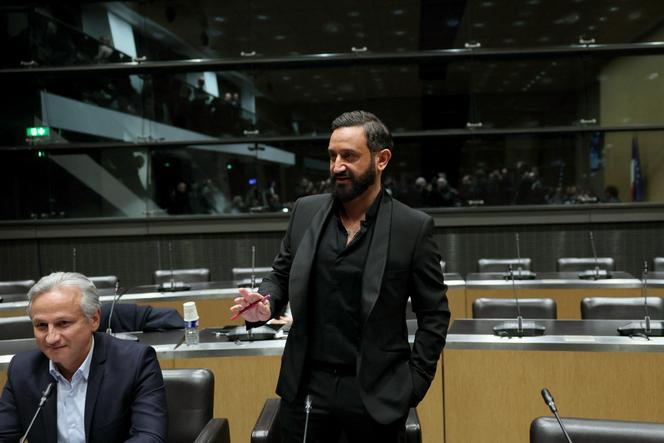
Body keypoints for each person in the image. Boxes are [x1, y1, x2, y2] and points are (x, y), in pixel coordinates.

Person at [231, 110, 450, 442]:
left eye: (349, 156)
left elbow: (434, 314)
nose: (336, 166)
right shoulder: (305, 212)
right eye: (332, 156)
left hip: (376, 393)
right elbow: (280, 274)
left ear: (381, 159)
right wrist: (267, 303)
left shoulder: (412, 228)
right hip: (306, 389)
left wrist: (413, 383)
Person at [0, 272, 167, 442]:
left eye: (63, 323)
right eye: (42, 326)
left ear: (94, 319)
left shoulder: (134, 362)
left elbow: (149, 437)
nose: (51, 338)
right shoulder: (22, 369)